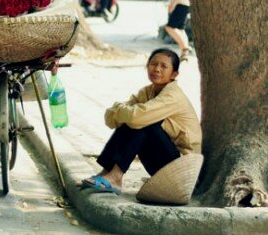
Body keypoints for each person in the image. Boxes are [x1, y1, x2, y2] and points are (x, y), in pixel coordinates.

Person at [81, 48, 201, 194]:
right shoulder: (147, 92)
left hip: (183, 170)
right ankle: (106, 173)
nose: (157, 69)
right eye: (153, 64)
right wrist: (126, 113)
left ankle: (115, 178)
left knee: (142, 123)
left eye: (163, 66)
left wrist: (122, 111)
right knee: (135, 119)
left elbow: (133, 117)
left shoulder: (173, 95)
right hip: (162, 163)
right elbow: (110, 118)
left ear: (174, 74)